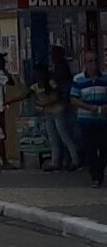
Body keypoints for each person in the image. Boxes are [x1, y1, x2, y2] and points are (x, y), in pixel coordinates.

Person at [31, 63, 80, 171]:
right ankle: (55, 161)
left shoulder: (51, 83)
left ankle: (75, 159)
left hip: (58, 112)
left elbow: (57, 97)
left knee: (64, 136)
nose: (36, 75)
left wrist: (44, 104)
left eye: (38, 73)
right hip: (48, 113)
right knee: (53, 139)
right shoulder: (35, 86)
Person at [71, 50, 107, 188]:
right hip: (86, 120)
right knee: (90, 149)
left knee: (104, 149)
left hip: (103, 120)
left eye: (95, 61)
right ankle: (95, 176)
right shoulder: (78, 79)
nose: (93, 64)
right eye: (90, 61)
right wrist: (87, 107)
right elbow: (73, 99)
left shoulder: (105, 78)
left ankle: (99, 172)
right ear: (85, 63)